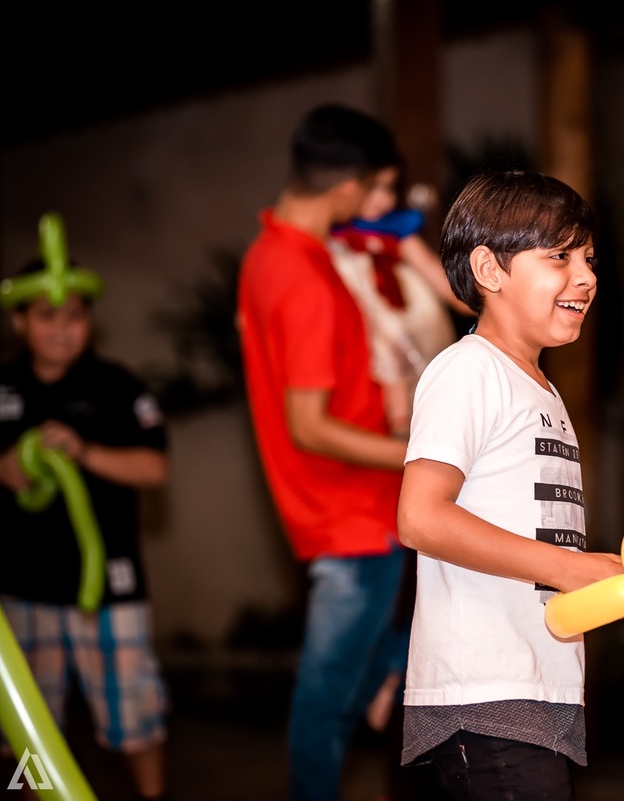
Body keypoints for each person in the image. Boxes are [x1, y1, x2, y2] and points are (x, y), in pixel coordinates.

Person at [396, 168, 624, 800]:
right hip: (483, 687)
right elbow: (421, 518)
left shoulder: (543, 391)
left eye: (588, 258)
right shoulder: (468, 372)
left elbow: (561, 564)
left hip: (536, 682)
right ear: (489, 269)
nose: (586, 277)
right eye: (559, 257)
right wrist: (570, 567)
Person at [236, 102, 412, 801]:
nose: (381, 204)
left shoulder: (270, 252)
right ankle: (381, 681)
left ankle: (384, 678)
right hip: (353, 518)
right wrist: (417, 452)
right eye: (378, 188)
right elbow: (307, 424)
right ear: (348, 188)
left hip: (353, 514)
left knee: (432, 623)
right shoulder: (305, 278)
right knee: (320, 711)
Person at [0, 255, 170, 801]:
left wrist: (83, 450)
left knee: (135, 715)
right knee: (27, 728)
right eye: (46, 315)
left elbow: (155, 468)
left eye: (74, 314)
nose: (62, 327)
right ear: (20, 321)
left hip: (108, 592)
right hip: (21, 589)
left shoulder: (117, 385)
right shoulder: (0, 388)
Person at [328, 175, 474, 438]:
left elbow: (438, 278)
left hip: (399, 312)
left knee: (400, 349)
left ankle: (404, 425)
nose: (382, 199)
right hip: (360, 323)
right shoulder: (332, 238)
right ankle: (399, 425)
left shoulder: (397, 232)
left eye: (389, 189)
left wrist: (475, 302)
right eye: (372, 188)